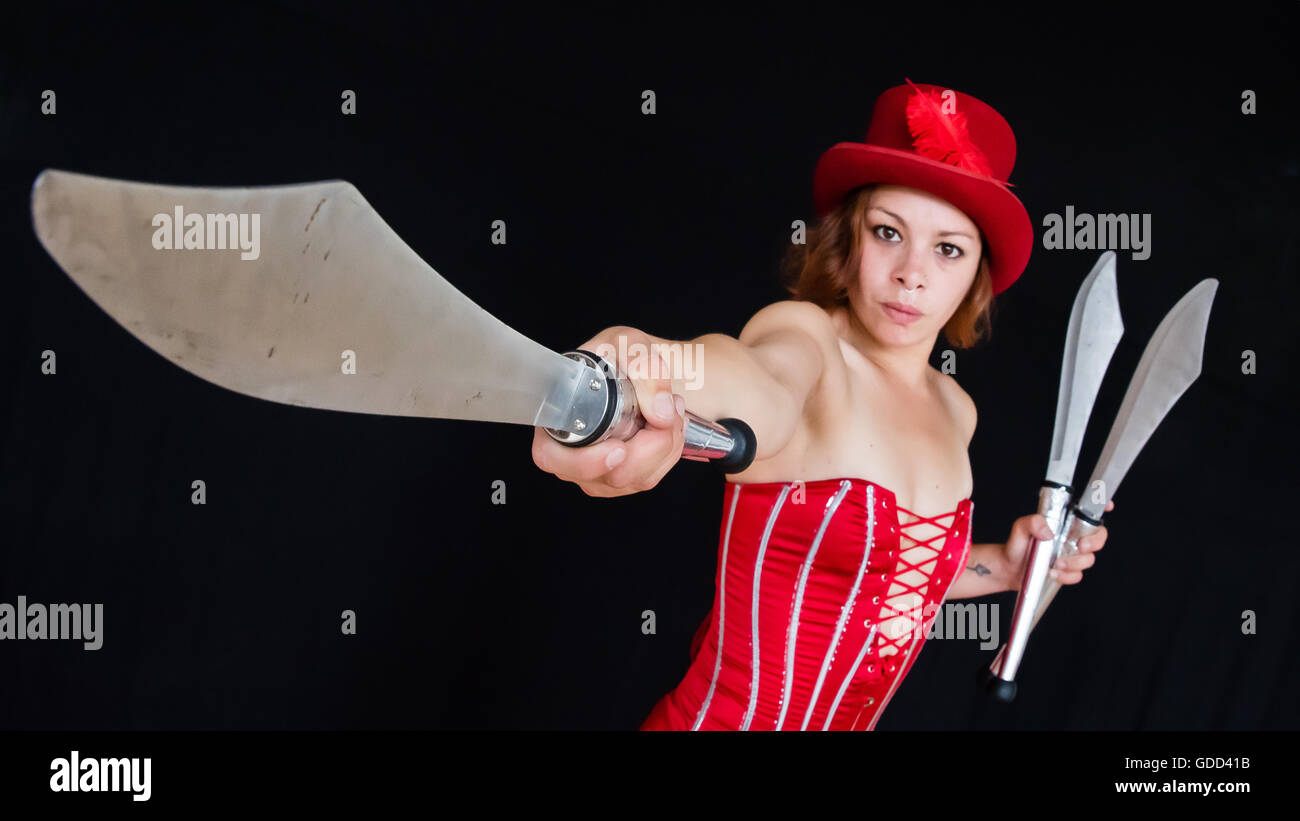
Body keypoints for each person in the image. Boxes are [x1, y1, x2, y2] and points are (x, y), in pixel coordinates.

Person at [530, 79, 1112, 730]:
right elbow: (754, 378)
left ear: (977, 273)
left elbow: (885, 575)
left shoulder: (955, 408)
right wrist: (634, 364)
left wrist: (1000, 566)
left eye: (948, 248)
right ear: (848, 239)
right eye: (888, 232)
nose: (912, 272)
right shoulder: (806, 340)